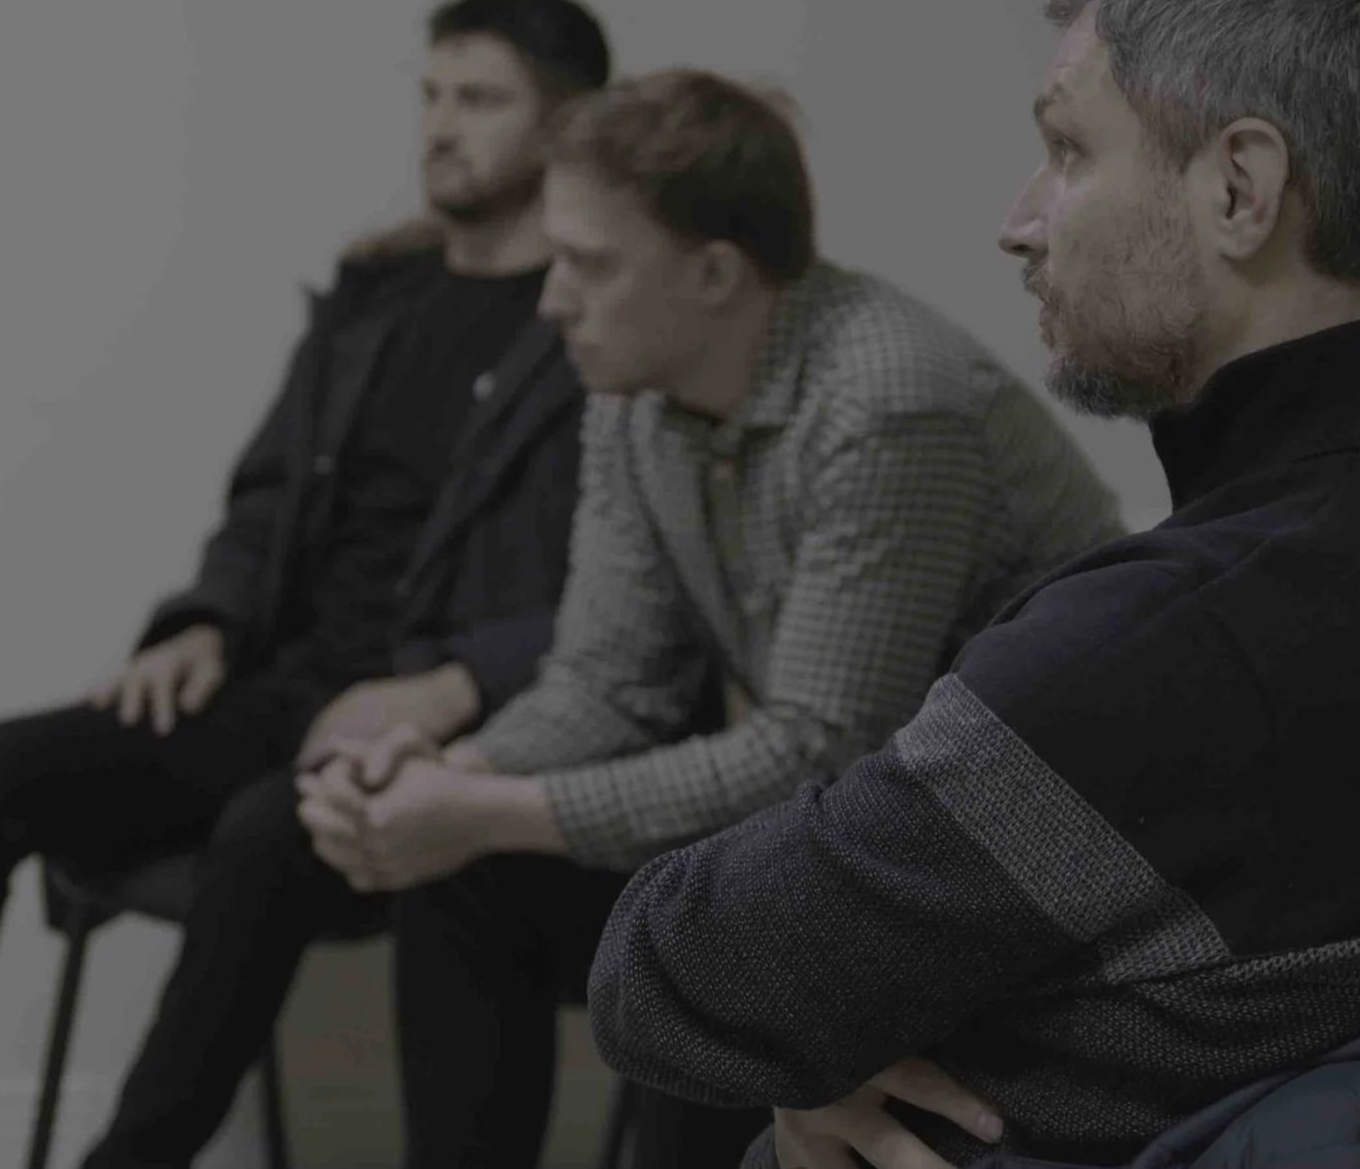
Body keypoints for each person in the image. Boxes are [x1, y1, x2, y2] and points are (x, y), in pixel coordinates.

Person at [586, 0, 1360, 1166]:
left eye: (1070, 150)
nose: (1017, 221)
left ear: (1239, 188)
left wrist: (811, 1047)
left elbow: (671, 973)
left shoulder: (1159, 645)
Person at [0, 0, 610, 1169]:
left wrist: (455, 684)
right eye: (432, 94)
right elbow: (265, 495)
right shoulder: (372, 300)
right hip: (282, 687)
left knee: (260, 829)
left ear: (564, 125)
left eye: (482, 98)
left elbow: (614, 581)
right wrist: (202, 623)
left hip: (443, 729)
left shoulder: (595, 321)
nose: (441, 125)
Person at [294, 67, 1124, 1169]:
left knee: (708, 930)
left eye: (588, 265)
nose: (549, 300)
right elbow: (605, 682)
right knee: (475, 876)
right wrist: (444, 774)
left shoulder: (886, 401)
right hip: (844, 838)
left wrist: (482, 804)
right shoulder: (633, 392)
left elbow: (817, 756)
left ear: (714, 273)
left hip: (1015, 867)